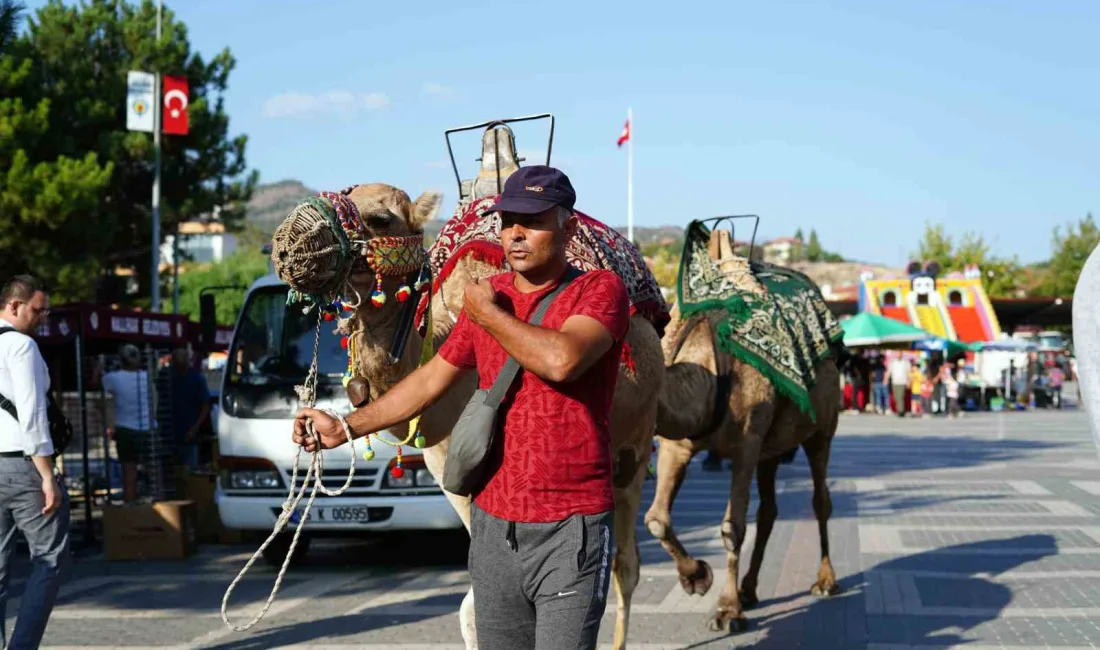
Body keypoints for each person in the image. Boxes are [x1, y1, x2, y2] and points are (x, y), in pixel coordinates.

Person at [293, 166, 626, 650]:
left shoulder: (596, 291)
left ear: (567, 227)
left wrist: (488, 314)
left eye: (532, 220)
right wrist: (345, 426)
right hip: (493, 527)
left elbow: (562, 360)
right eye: (508, 219)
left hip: (570, 528)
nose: (515, 232)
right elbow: (429, 380)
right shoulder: (490, 299)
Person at [0, 275, 69, 649]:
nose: (43, 317)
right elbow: (31, 415)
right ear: (14, 306)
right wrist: (47, 475)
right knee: (50, 559)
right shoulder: (21, 346)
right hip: (23, 467)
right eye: (38, 309)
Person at [95, 344, 154, 502]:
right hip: (148, 428)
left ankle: (130, 505)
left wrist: (99, 366)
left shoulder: (113, 378)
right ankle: (154, 502)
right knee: (153, 469)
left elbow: (95, 385)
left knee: (129, 471)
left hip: (125, 429)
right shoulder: (147, 377)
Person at [160, 348, 210, 472]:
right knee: (171, 472)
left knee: (189, 472)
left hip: (189, 433)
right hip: (169, 433)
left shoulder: (197, 378)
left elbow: (206, 405)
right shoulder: (167, 377)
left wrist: (195, 427)